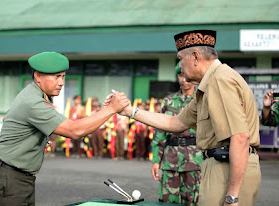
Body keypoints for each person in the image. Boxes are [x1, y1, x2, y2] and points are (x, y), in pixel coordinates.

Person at [106, 30, 261, 206]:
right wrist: (130, 111)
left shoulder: (220, 79)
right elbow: (176, 122)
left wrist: (232, 197)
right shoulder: (209, 85)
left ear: (195, 57)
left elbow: (240, 137)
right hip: (220, 165)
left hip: (228, 168)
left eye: (181, 58)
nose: (179, 65)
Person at [0, 51, 130, 206]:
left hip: (18, 179)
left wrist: (34, 138)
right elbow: (74, 131)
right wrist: (110, 110)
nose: (61, 82)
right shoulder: (33, 102)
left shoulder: (33, 94)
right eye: (56, 77)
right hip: (10, 180)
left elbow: (7, 118)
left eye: (63, 77)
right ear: (38, 76)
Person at [151, 62, 202, 205]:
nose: (184, 79)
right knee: (168, 202)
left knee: (194, 201)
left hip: (195, 160)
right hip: (170, 161)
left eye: (186, 75)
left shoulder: (202, 99)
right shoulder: (168, 101)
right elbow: (159, 133)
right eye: (180, 75)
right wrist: (156, 160)